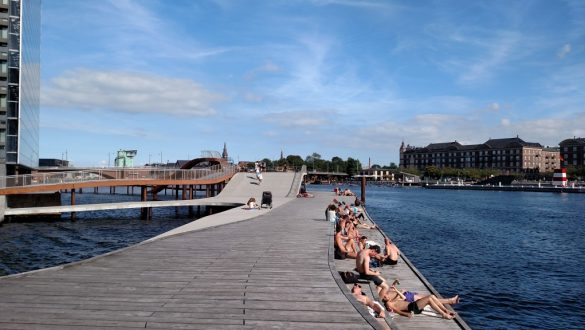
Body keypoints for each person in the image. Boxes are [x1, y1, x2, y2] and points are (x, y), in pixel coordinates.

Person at [383, 289, 456, 320]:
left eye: (387, 294)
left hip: (414, 306)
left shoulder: (393, 300)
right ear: (384, 299)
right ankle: (444, 314)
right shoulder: (388, 303)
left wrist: (396, 290)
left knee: (432, 296)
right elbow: (396, 311)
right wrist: (406, 314)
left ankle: (446, 310)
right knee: (429, 298)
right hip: (412, 308)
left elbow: (403, 297)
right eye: (385, 296)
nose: (387, 295)